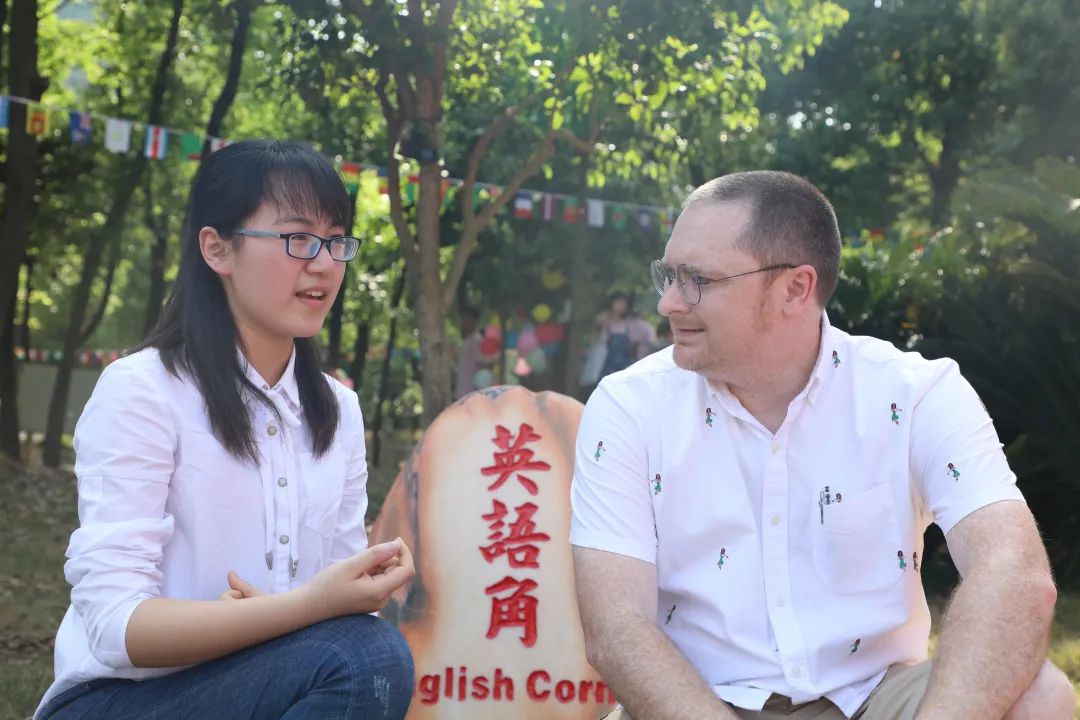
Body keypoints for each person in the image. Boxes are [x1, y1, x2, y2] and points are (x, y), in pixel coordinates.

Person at [570, 171, 1074, 720]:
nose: (669, 302)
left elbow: (1013, 572)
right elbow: (616, 626)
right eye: (669, 275)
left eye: (698, 280)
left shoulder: (915, 395)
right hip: (696, 700)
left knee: (1040, 697)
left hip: (871, 697)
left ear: (795, 289)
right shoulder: (629, 407)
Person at [35, 140, 416, 720]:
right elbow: (116, 626)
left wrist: (346, 595)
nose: (323, 263)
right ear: (217, 248)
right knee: (368, 657)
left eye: (336, 240)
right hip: (118, 700)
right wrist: (303, 609)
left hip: (262, 683)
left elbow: (339, 620)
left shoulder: (338, 410)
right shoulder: (143, 390)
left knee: (368, 653)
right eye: (298, 238)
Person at [595, 292, 656, 380]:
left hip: (626, 365)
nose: (621, 305)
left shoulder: (631, 322)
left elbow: (648, 335)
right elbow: (600, 341)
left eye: (623, 303)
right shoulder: (604, 322)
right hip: (607, 365)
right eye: (618, 302)